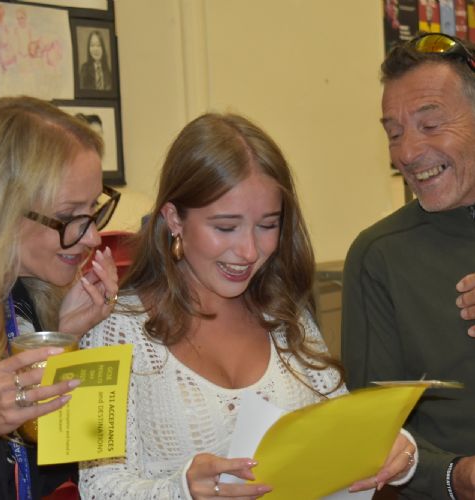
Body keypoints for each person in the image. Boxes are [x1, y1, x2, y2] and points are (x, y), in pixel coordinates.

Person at [79, 113, 417, 499]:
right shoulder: (107, 329)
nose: (249, 251)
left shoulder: (286, 317)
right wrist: (182, 491)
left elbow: (343, 434)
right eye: (225, 227)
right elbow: (97, 488)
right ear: (174, 219)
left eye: (268, 225)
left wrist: (395, 449)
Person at [341, 33, 475, 499]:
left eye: (430, 124)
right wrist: (456, 476)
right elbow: (370, 432)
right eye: (394, 133)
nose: (408, 153)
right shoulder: (380, 256)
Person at [0, 96, 120, 499]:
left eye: (93, 208)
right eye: (70, 216)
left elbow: (57, 474)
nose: (92, 237)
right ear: (4, 210)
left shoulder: (24, 296)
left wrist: (64, 336)